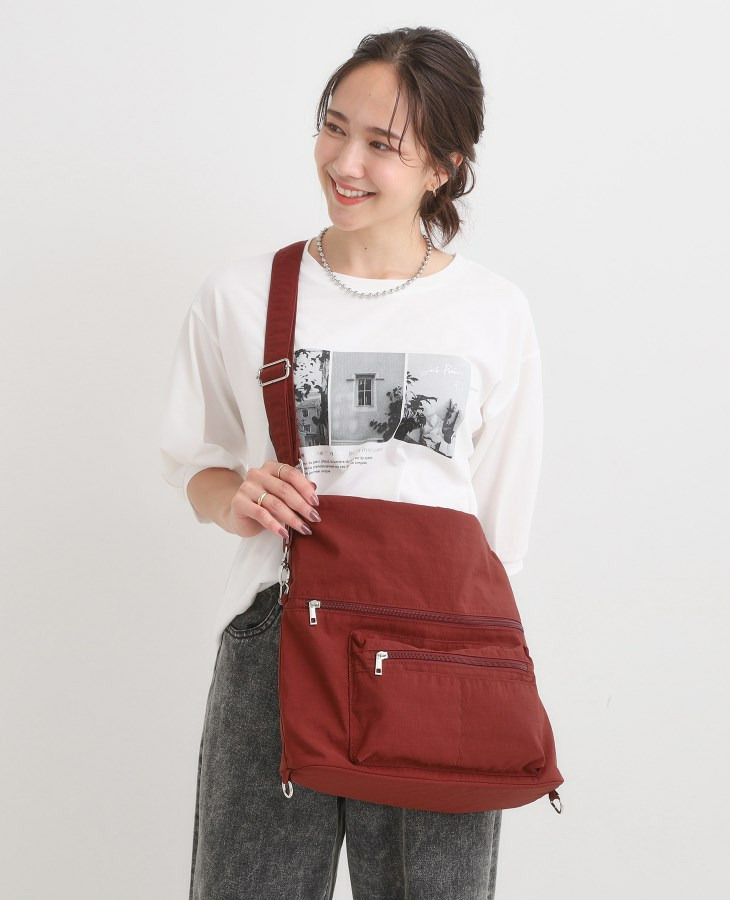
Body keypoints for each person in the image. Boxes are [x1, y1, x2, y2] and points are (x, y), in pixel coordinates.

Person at [160, 25, 544, 900]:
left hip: (439, 651)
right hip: (277, 645)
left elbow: (499, 531)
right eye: (334, 128)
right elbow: (195, 461)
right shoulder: (241, 294)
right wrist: (236, 497)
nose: (345, 162)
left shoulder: (494, 312)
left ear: (443, 164)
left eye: (382, 144)